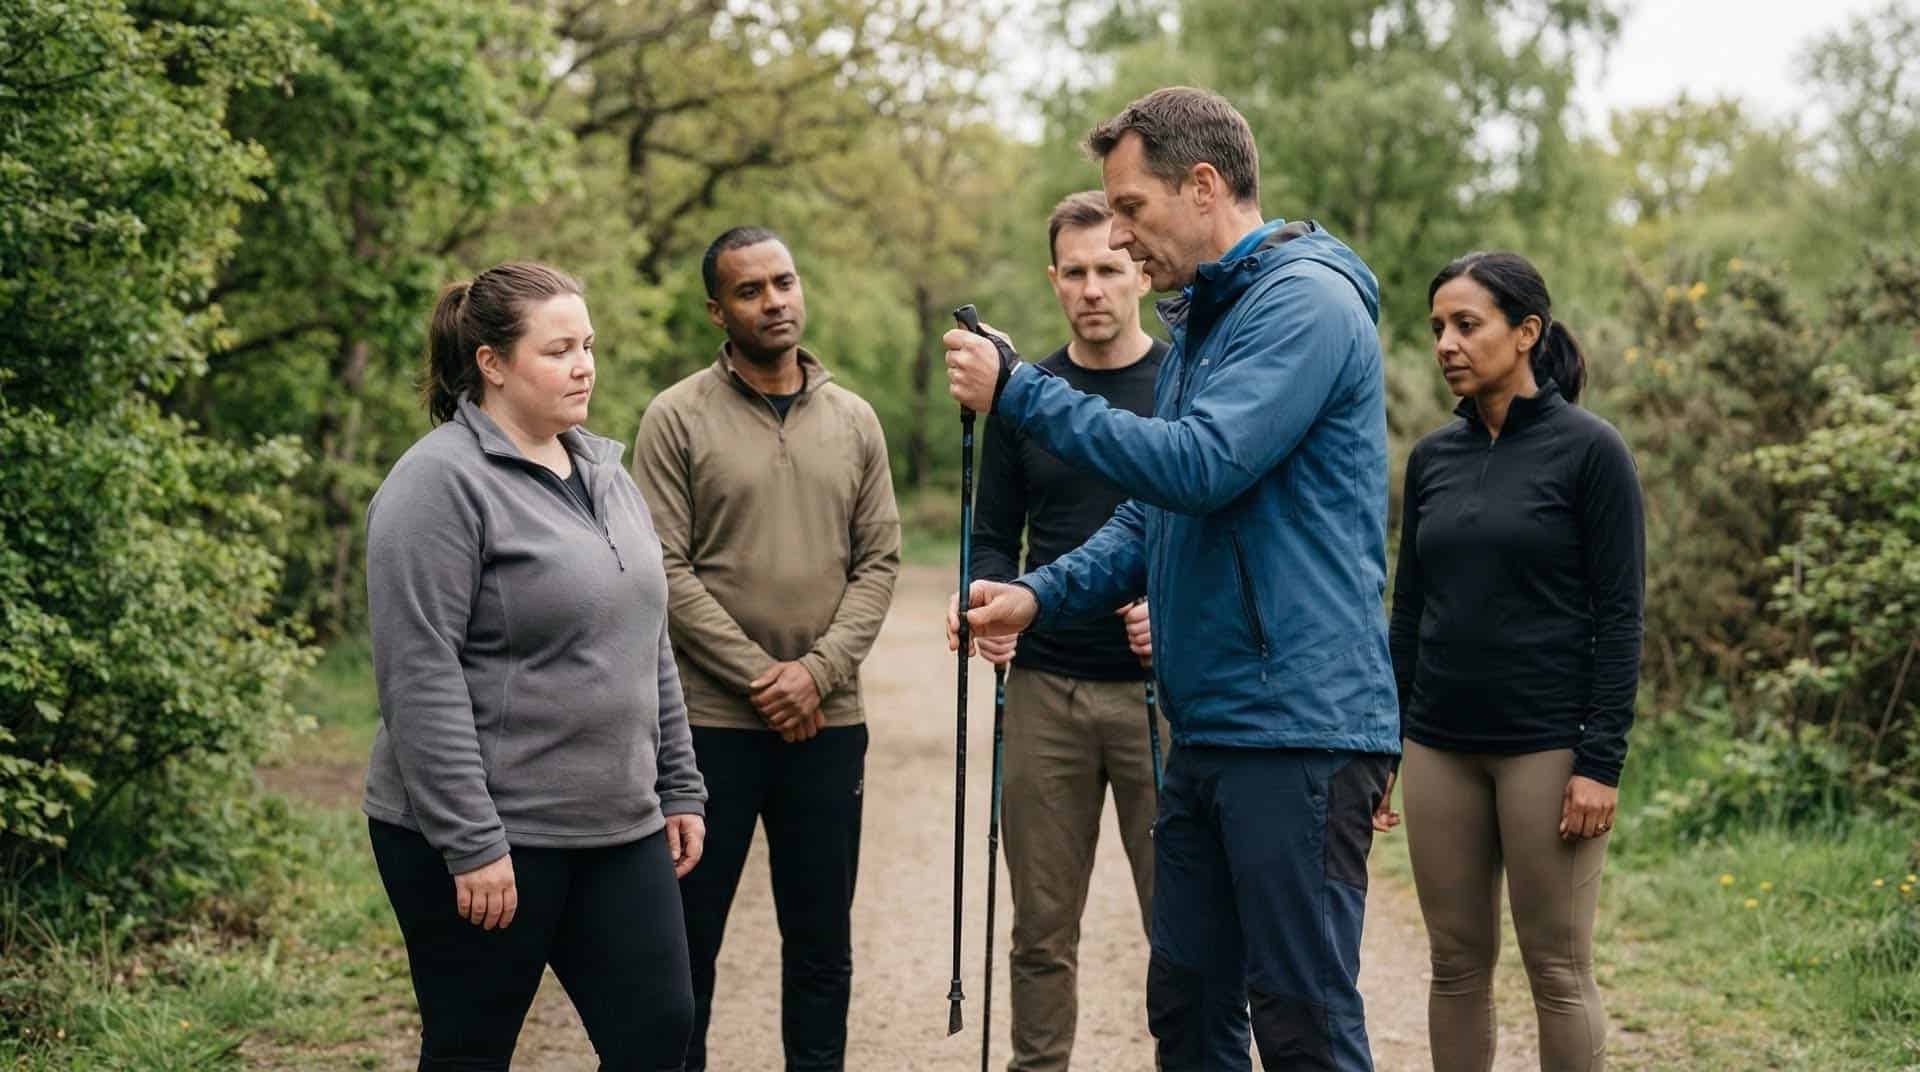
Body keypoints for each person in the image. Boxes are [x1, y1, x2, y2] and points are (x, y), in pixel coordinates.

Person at [943, 87, 1399, 1071]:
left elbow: (1199, 462)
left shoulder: (1303, 305)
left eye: (1131, 209)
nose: (1119, 235)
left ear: (1202, 186)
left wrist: (1021, 391)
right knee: (1189, 1008)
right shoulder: (1209, 315)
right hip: (1209, 725)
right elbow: (1158, 512)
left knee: (1302, 1020)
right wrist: (1038, 592)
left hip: (1299, 729)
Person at [362, 261, 707, 1070]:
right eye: (558, 350)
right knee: (471, 1050)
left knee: (658, 1031)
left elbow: (646, 637)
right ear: (492, 363)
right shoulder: (436, 485)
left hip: (617, 824)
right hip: (493, 835)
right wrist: (471, 841)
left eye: (588, 345)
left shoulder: (604, 472)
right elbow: (419, 676)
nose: (585, 364)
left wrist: (679, 783)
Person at [631, 226, 900, 1072]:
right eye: (750, 290)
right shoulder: (675, 417)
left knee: (821, 944)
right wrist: (761, 678)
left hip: (831, 722)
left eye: (783, 282)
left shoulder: (854, 420)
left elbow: (880, 561)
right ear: (718, 309)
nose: (774, 300)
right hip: (710, 726)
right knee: (687, 947)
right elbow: (661, 568)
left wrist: (816, 675)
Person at [1386, 251, 1644, 1072]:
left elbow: (1621, 616)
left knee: (1558, 972)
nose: (1448, 344)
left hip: (1547, 747)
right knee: (1456, 967)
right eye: (1437, 329)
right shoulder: (1431, 460)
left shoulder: (1591, 452)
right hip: (1438, 745)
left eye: (1468, 324)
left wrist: (1599, 760)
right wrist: (1383, 742)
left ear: (1526, 332)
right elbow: (1410, 611)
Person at [966, 189, 1168, 1072]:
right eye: (1075, 272)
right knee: (1041, 927)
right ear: (1054, 280)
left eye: (1109, 269)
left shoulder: (1183, 386)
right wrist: (989, 600)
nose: (1093, 288)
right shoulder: (1022, 395)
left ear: (1140, 271)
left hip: (1163, 698)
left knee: (1186, 925)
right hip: (1045, 687)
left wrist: (1174, 604)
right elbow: (987, 531)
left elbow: (1219, 522)